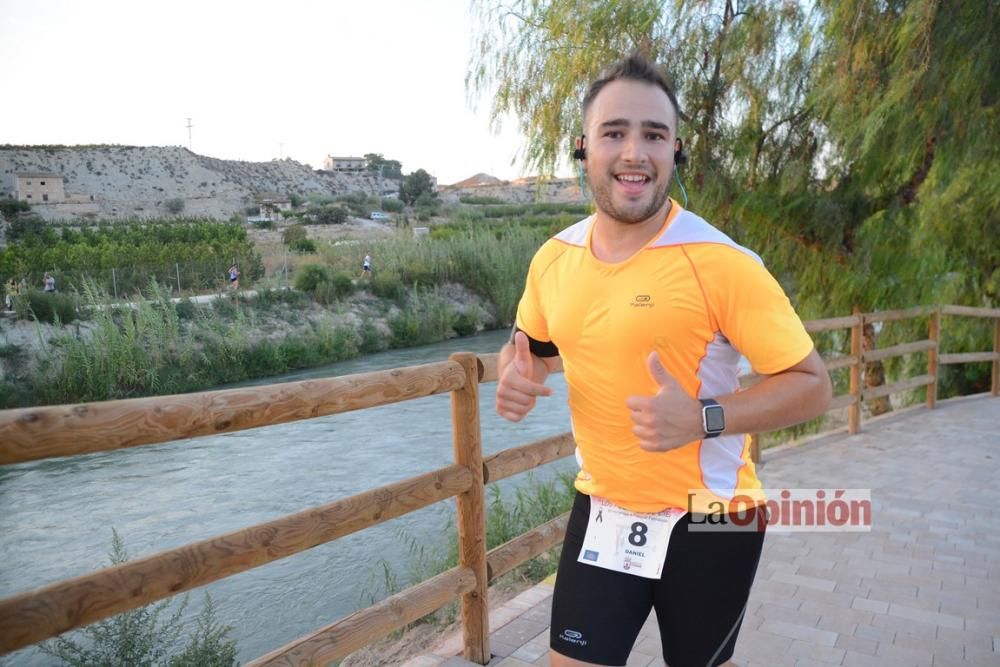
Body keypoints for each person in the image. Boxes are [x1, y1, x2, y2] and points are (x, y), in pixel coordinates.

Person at [495, 55, 832, 667]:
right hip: (604, 507)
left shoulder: (722, 262)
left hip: (716, 520)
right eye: (614, 132)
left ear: (676, 150)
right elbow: (533, 351)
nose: (634, 152)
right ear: (583, 148)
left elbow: (813, 386)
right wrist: (516, 375)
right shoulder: (552, 260)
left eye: (654, 135)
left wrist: (704, 417)